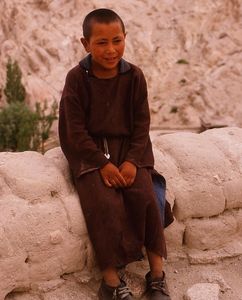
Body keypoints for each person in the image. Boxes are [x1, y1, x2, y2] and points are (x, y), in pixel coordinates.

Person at [59, 8, 173, 300]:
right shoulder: (77, 79)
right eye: (101, 42)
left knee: (146, 196)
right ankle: (111, 282)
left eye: (117, 40)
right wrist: (103, 165)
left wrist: (133, 162)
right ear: (85, 44)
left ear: (125, 38)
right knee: (104, 205)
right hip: (90, 154)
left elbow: (141, 124)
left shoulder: (134, 76)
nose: (111, 50)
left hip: (130, 152)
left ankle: (157, 276)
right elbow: (75, 131)